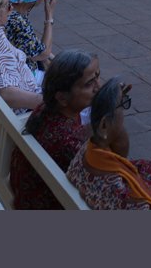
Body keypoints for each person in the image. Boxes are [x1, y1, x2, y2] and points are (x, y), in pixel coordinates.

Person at [65, 79, 151, 210]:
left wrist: (110, 102)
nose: (123, 114)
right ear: (104, 125)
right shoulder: (125, 194)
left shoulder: (90, 148)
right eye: (122, 106)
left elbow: (120, 147)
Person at [10, 49, 100, 210]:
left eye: (97, 77)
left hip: (26, 192)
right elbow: (99, 184)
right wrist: (111, 120)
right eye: (89, 84)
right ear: (62, 98)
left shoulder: (46, 109)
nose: (97, 87)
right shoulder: (69, 142)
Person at [6, 0, 64, 70]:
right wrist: (49, 16)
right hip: (21, 71)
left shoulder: (12, 7)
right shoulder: (17, 20)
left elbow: (32, 45)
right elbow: (42, 54)